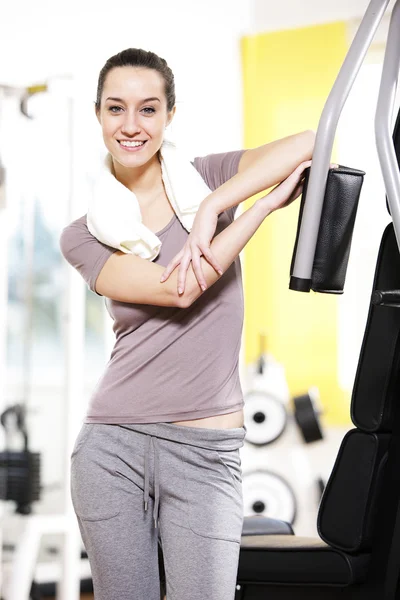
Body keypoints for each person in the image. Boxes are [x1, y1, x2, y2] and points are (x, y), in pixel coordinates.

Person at [59, 47, 319, 600]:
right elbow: (179, 290)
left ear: (169, 114)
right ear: (99, 115)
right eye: (116, 109)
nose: (131, 125)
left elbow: (313, 141)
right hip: (113, 448)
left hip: (206, 453)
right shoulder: (83, 235)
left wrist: (213, 208)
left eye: (148, 109)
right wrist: (262, 208)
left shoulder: (209, 179)